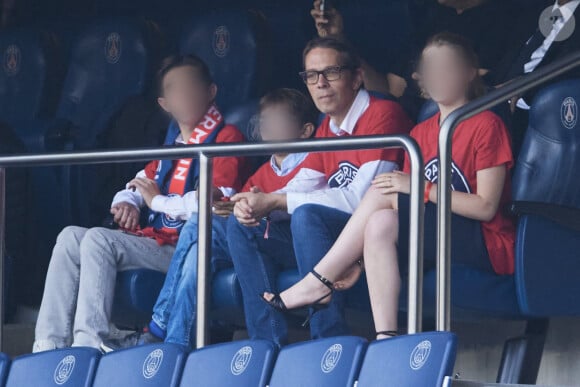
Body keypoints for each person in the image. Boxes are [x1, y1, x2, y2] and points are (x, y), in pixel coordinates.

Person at [263, 32, 516, 340]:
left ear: (468, 73)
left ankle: (319, 279)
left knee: (387, 191)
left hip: (486, 242)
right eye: (431, 68)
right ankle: (385, 336)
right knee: (382, 219)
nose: (438, 75)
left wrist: (421, 187)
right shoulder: (421, 132)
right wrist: (359, 259)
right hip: (437, 235)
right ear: (420, 77)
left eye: (448, 67)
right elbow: (406, 210)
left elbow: (486, 207)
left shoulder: (487, 123)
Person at [32, 54, 247, 352]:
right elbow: (136, 184)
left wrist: (156, 201)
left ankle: (90, 340)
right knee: (69, 236)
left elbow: (216, 200)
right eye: (174, 89)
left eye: (190, 87)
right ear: (164, 103)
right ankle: (47, 344)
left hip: (185, 251)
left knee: (98, 239)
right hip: (155, 242)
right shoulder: (174, 147)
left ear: (210, 92)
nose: (182, 95)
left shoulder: (226, 136)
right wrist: (128, 203)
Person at [228, 37, 413, 347]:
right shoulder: (328, 126)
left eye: (332, 72)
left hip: (383, 237)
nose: (321, 83)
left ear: (356, 78)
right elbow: (301, 185)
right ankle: (266, 343)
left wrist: (278, 200)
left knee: (306, 215)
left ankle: (328, 341)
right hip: (336, 238)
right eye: (311, 75)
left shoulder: (383, 114)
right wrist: (258, 205)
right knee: (241, 226)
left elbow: (363, 200)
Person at [100, 87, 318, 351]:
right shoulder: (264, 170)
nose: (269, 128)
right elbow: (238, 205)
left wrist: (252, 205)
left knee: (197, 224)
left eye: (278, 120)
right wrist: (228, 204)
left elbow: (290, 205)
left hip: (295, 244)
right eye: (265, 122)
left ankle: (159, 326)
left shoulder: (314, 159)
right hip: (253, 238)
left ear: (305, 130)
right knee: (196, 255)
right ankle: (174, 345)